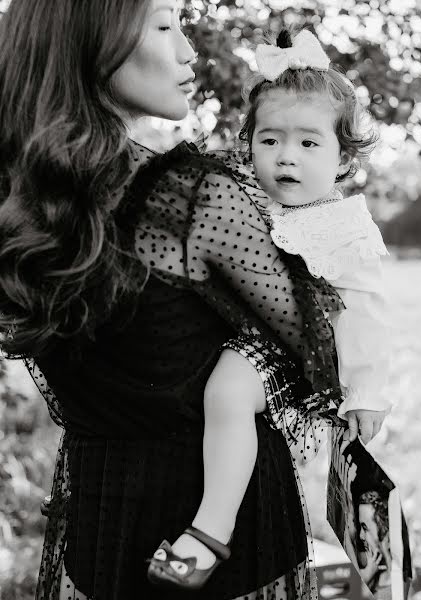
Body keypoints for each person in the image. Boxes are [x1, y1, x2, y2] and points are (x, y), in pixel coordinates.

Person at [0, 2, 358, 599]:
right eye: (166, 26)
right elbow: (321, 348)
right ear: (93, 41)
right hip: (228, 541)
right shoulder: (189, 200)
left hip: (99, 517)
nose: (189, 51)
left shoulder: (20, 203)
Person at [148, 28, 392, 590]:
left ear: (343, 157)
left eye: (309, 144)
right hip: (247, 334)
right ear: (248, 143)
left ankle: (210, 533)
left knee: (228, 394)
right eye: (269, 140)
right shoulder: (240, 195)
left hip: (297, 350)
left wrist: (368, 391)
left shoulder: (342, 223)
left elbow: (367, 311)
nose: (286, 157)